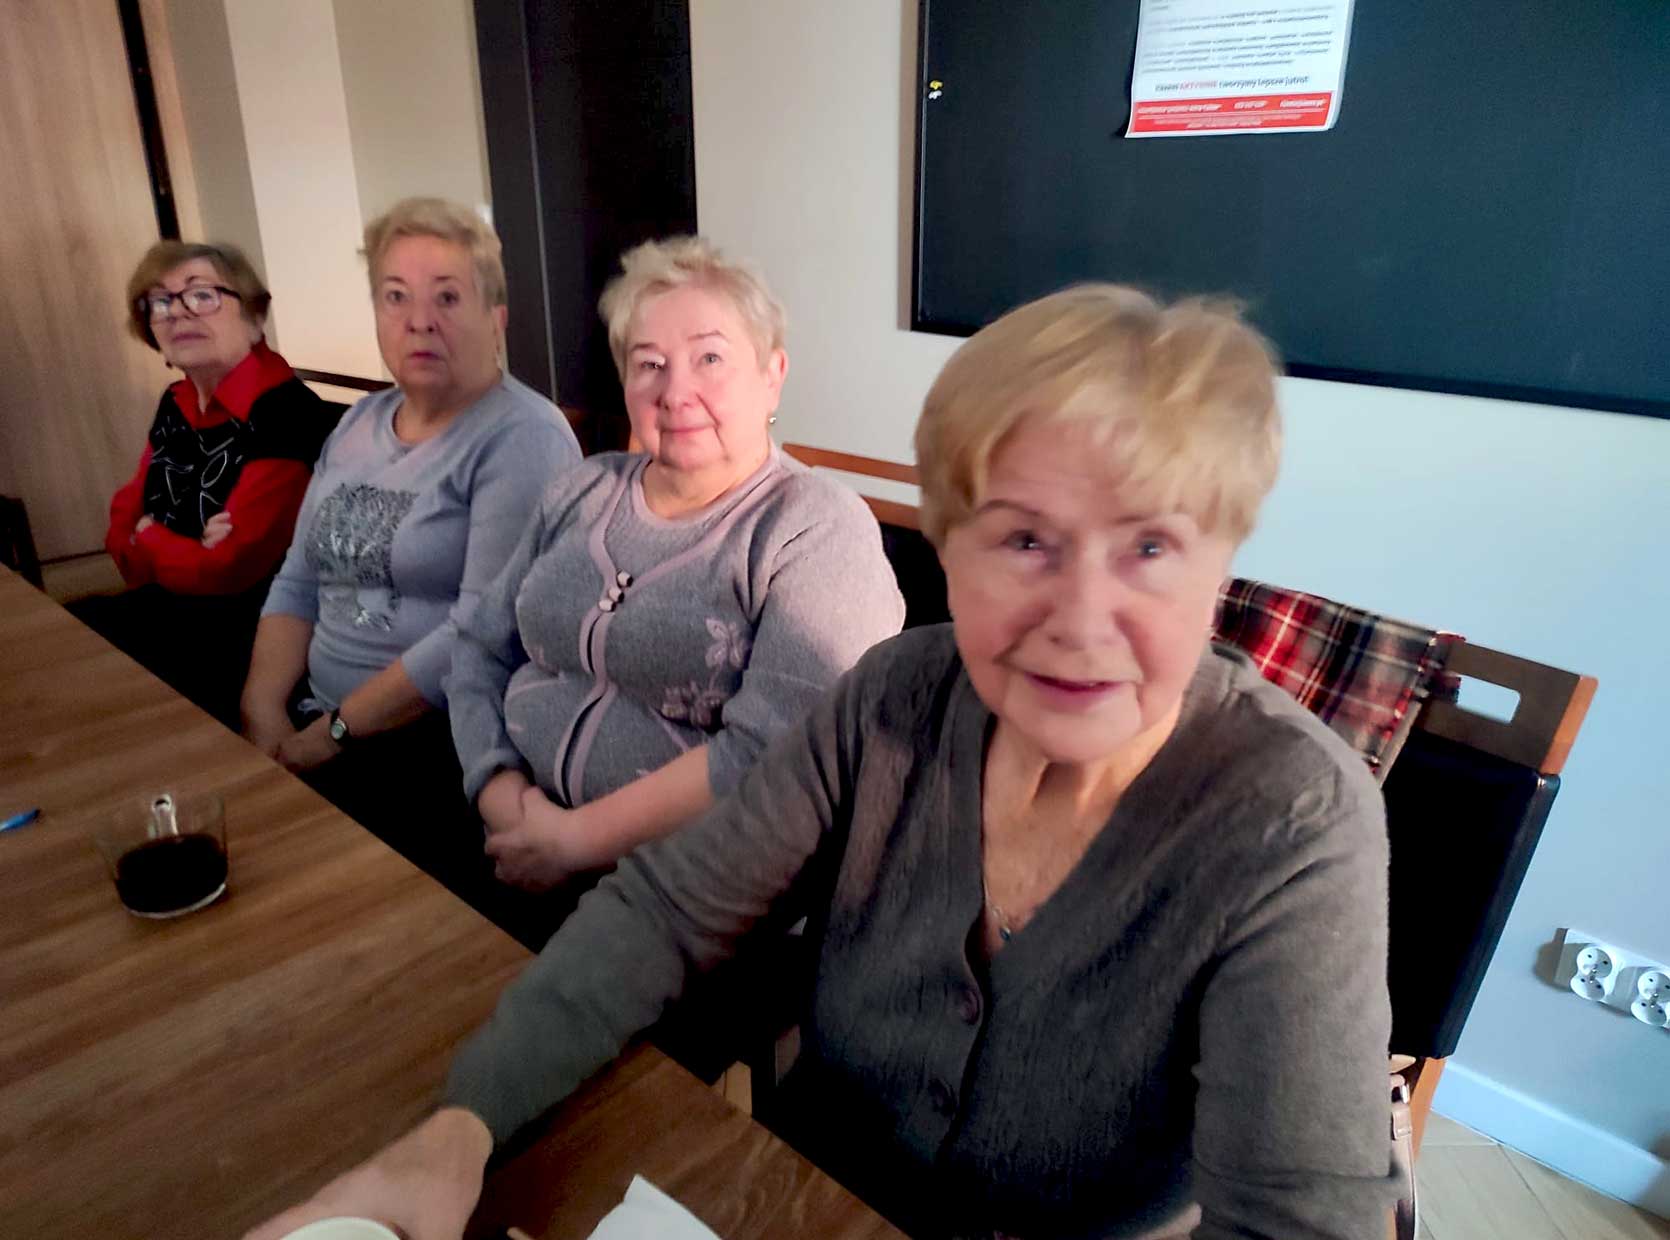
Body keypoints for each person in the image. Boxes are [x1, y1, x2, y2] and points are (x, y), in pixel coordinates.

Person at [246, 286, 1400, 1240]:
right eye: (1022, 539)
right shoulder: (896, 695)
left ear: (1219, 562)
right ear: (946, 544)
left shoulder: (1290, 816)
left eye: (1148, 545)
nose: (1081, 619)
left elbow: (1298, 1222)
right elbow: (668, 912)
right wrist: (460, 1126)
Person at [445, 236, 905, 914]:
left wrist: (573, 842)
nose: (675, 391)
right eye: (649, 364)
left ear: (772, 374)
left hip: (688, 899)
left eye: (709, 358)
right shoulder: (581, 489)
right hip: (505, 838)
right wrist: (500, 796)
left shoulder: (817, 526)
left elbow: (775, 752)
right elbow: (479, 647)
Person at [239, 198, 580, 863]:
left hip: (433, 745)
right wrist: (261, 712)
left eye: (448, 297)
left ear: (496, 318)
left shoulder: (523, 437)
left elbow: (479, 632)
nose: (419, 320)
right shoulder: (359, 420)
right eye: (396, 297)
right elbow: (298, 581)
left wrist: (332, 733)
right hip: (317, 720)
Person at [72, 242, 334, 726]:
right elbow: (124, 514)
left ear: (254, 316)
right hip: (175, 608)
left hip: (257, 636)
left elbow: (229, 570)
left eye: (202, 295)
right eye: (160, 301)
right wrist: (175, 545)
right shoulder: (176, 401)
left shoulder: (285, 413)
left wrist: (151, 536)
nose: (177, 313)